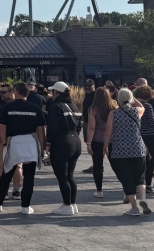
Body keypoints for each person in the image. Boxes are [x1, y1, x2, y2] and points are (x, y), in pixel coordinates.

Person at [0, 82, 45, 215]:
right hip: (31, 143)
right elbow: (41, 129)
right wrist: (42, 147)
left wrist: (3, 143)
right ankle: (25, 206)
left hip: (14, 142)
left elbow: (1, 127)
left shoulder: (7, 107)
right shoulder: (35, 108)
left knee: (6, 174)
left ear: (17, 92)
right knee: (29, 176)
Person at [104, 88, 152, 216]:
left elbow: (108, 133)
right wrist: (132, 99)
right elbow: (142, 106)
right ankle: (143, 198)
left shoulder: (113, 114)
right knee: (140, 177)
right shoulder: (137, 111)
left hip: (120, 151)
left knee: (127, 179)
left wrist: (105, 147)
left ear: (118, 100)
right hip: (138, 148)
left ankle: (134, 208)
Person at [46, 81, 82, 215]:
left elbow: (52, 128)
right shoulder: (74, 106)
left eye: (52, 92)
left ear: (56, 92)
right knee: (70, 175)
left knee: (62, 176)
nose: (51, 94)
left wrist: (48, 143)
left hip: (62, 142)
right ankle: (72, 203)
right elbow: (79, 126)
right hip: (75, 142)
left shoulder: (56, 107)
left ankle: (66, 205)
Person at [85, 87, 116, 199]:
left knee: (98, 166)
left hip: (97, 140)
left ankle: (99, 190)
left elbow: (92, 127)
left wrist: (88, 143)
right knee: (116, 165)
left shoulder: (93, 109)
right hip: (112, 139)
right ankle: (127, 188)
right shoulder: (114, 106)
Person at [132, 85, 154, 192]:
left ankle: (138, 182)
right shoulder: (148, 106)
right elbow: (151, 123)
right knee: (150, 160)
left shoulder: (133, 106)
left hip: (138, 135)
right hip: (150, 135)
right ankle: (147, 183)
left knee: (139, 160)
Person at [80, 79, 97, 173]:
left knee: (92, 142)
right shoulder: (87, 95)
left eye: (89, 85)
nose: (87, 87)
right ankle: (95, 163)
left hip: (92, 121)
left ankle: (97, 164)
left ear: (93, 85)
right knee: (88, 142)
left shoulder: (96, 95)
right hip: (86, 120)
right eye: (86, 85)